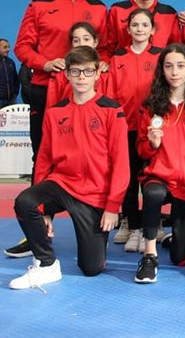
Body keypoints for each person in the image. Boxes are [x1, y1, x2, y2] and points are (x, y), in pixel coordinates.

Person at [9, 46, 128, 289]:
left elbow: (121, 161)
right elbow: (43, 159)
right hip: (62, 183)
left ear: (97, 74)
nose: (81, 77)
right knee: (25, 201)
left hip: (94, 193)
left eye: (87, 71)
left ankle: (97, 241)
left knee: (91, 269)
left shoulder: (111, 109)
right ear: (67, 75)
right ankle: (46, 264)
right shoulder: (55, 113)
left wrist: (113, 206)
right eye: (76, 71)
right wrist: (44, 210)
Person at [13, 0, 107, 167]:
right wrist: (44, 64)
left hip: (86, 90)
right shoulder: (39, 5)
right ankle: (38, 200)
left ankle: (82, 200)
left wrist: (103, 63)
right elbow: (22, 47)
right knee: (43, 152)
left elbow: (107, 47)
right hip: (45, 88)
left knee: (86, 152)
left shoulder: (99, 7)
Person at [135, 43, 185, 283]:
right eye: (168, 66)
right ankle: (149, 255)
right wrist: (152, 144)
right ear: (162, 70)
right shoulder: (151, 106)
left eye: (180, 66)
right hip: (159, 177)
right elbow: (141, 150)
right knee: (153, 194)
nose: (174, 72)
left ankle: (174, 240)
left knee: (181, 258)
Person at [108, 9, 163, 252]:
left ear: (152, 30)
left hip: (152, 128)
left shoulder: (161, 57)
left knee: (152, 176)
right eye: (135, 25)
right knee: (128, 179)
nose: (139, 29)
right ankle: (131, 224)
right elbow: (110, 96)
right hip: (125, 127)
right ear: (128, 29)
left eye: (144, 25)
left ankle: (155, 223)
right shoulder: (117, 58)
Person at [45, 23, 112, 108]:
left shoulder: (105, 74)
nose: (81, 44)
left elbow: (111, 107)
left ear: (95, 42)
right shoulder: (60, 74)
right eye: (76, 40)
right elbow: (52, 110)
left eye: (86, 39)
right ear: (72, 44)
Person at [0, 38, 20, 108]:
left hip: (11, 100)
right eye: (5, 47)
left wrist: (15, 93)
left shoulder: (11, 62)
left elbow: (16, 79)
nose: (8, 49)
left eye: (8, 47)